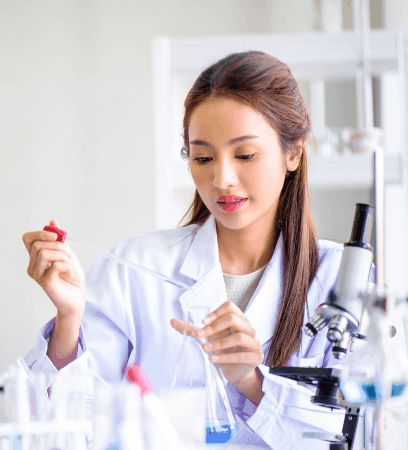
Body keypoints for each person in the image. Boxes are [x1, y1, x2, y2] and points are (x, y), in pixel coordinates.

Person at [21, 51, 353, 449]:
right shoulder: (134, 266)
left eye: (245, 155)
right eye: (203, 157)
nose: (222, 178)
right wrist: (69, 318)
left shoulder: (343, 279)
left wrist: (252, 381)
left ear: (293, 152)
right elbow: (67, 430)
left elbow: (358, 432)